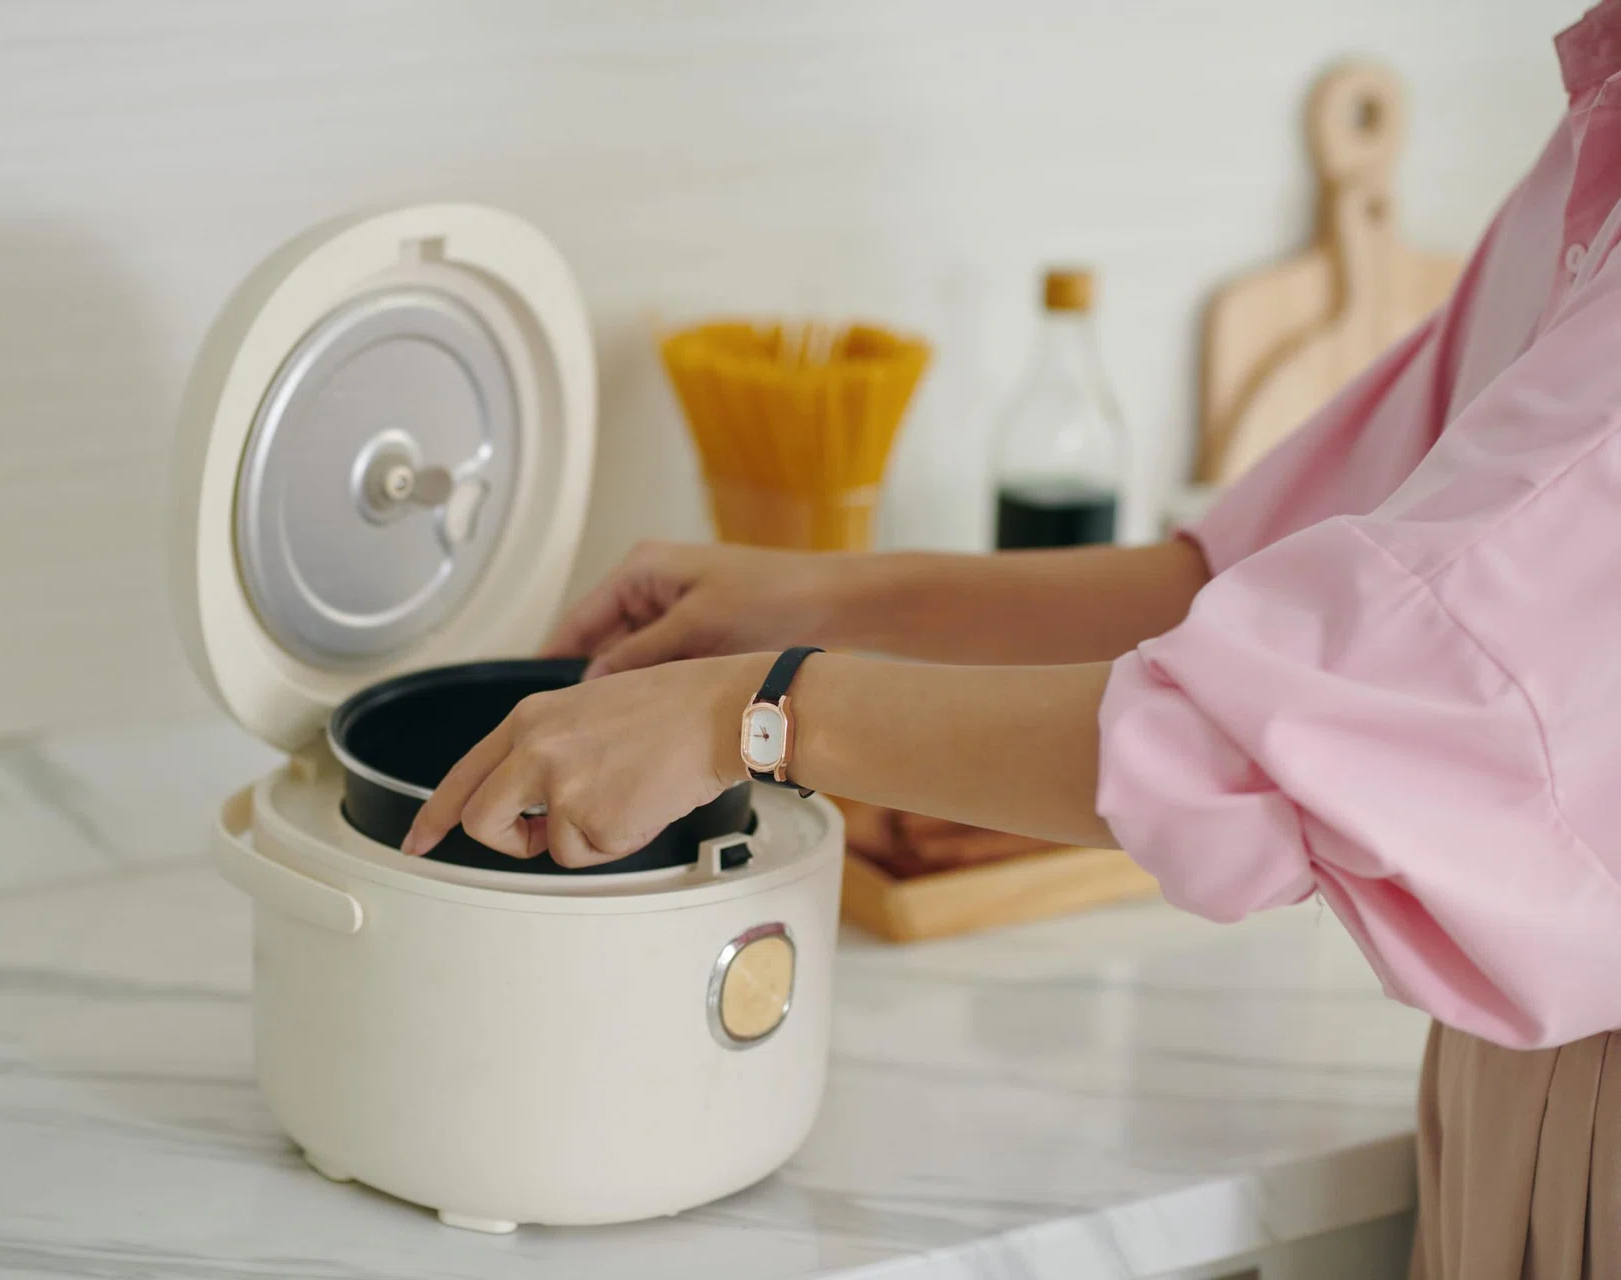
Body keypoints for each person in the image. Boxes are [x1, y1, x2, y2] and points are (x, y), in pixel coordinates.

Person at [405, 4, 1621, 1274]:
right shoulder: (1596, 135)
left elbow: (1280, 735)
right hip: (1515, 1090)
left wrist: (754, 716)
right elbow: (1246, 586)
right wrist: (823, 599)